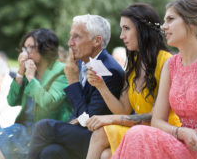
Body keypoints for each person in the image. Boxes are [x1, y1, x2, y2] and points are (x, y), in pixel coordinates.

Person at [112, 0, 197, 159]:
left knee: (138, 134)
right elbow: (157, 122)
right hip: (185, 142)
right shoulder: (171, 65)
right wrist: (181, 132)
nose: (163, 26)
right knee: (137, 135)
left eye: (170, 19)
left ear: (192, 23)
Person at [85, 3, 181, 159]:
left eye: (126, 29)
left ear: (143, 30)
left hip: (166, 131)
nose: (122, 35)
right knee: (106, 155)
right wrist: (100, 86)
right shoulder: (134, 63)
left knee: (101, 133)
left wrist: (109, 118)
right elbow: (123, 109)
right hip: (141, 130)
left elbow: (155, 117)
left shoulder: (167, 61)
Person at [27, 14, 125, 159]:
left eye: (76, 37)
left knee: (44, 127)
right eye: (70, 36)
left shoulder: (109, 69)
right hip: (79, 131)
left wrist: (73, 81)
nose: (69, 43)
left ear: (96, 41)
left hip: (96, 138)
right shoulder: (79, 62)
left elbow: (87, 121)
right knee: (51, 152)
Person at [0, 28, 72, 159]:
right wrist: (20, 73)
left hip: (47, 130)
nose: (26, 53)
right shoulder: (31, 69)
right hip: (24, 127)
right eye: (25, 48)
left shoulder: (60, 71)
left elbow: (49, 102)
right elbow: (12, 100)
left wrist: (31, 78)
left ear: (46, 48)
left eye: (31, 47)